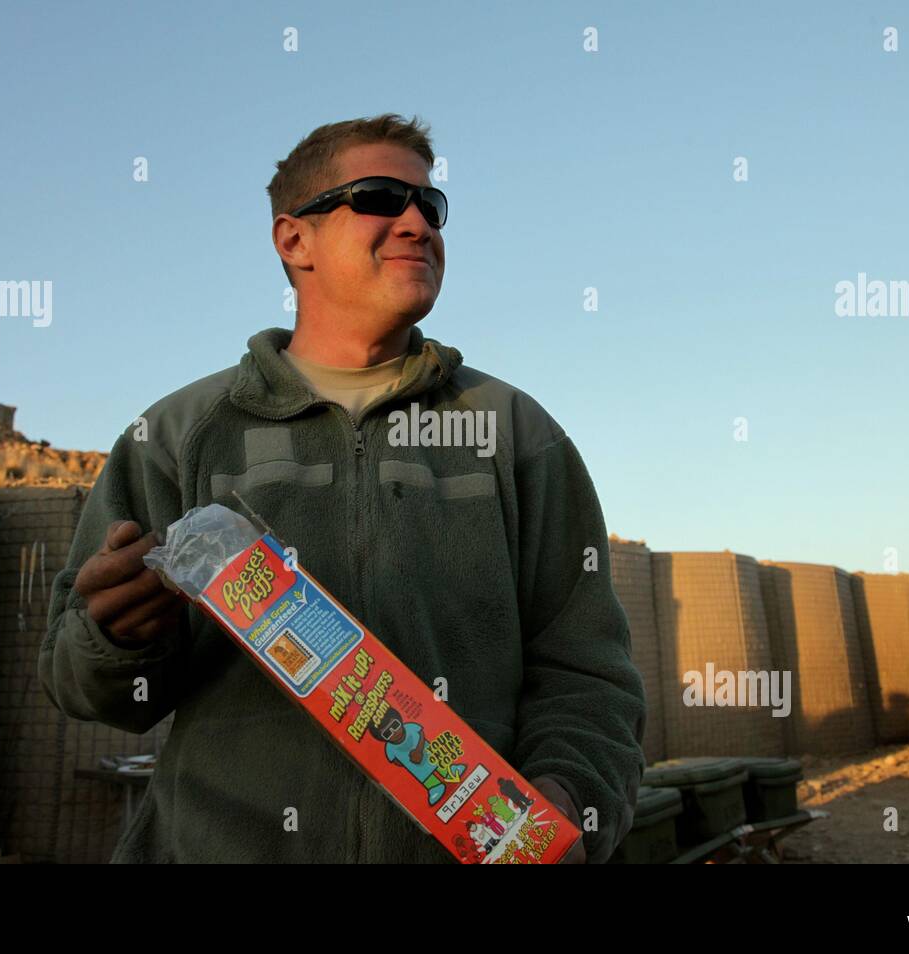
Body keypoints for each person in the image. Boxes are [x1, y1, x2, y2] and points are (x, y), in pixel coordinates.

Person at [40, 113, 646, 863]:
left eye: (432, 205)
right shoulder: (178, 433)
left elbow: (586, 671)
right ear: (294, 241)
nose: (417, 223)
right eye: (382, 198)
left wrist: (568, 800)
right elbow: (81, 687)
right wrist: (116, 641)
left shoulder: (514, 433)